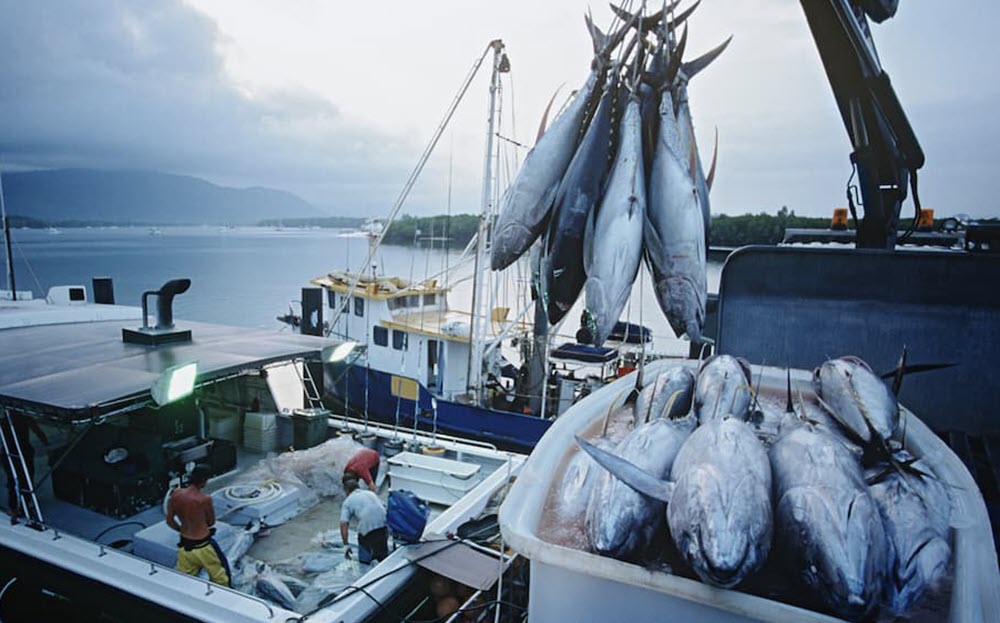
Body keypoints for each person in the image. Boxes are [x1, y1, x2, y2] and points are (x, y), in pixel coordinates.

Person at [165, 463, 231, 586]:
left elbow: (169, 521)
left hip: (185, 545)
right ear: (204, 480)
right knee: (221, 577)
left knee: (186, 579)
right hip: (204, 546)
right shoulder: (204, 499)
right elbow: (211, 522)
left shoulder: (175, 494)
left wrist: (182, 529)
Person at [1, 410, 48, 515]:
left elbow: (40, 433)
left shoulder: (5, 422)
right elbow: (40, 433)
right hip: (18, 453)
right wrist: (45, 442)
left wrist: (45, 441)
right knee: (22, 479)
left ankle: (18, 506)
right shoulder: (23, 419)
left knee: (17, 479)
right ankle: (19, 505)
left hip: (17, 453)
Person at [340, 474, 388, 564]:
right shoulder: (371, 493)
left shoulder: (348, 501)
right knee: (383, 555)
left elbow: (343, 524)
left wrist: (346, 544)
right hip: (383, 527)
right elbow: (384, 507)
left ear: (346, 490)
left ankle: (365, 562)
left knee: (364, 559)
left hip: (367, 531)